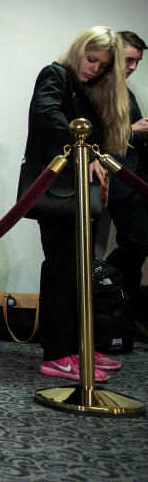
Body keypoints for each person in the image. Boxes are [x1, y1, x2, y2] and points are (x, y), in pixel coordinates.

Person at [25, 26, 129, 382]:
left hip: (82, 193)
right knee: (62, 268)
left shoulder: (88, 88)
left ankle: (77, 347)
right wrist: (83, 148)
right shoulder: (56, 74)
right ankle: (57, 353)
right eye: (92, 59)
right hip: (61, 188)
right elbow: (45, 114)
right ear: (79, 49)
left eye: (102, 65)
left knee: (79, 272)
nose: (95, 68)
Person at [105, 31, 148, 332]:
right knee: (137, 242)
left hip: (135, 176)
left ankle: (125, 312)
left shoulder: (125, 90)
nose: (133, 67)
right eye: (129, 59)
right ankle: (105, 286)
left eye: (137, 62)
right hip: (117, 178)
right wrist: (134, 132)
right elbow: (93, 138)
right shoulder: (100, 89)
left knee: (139, 243)